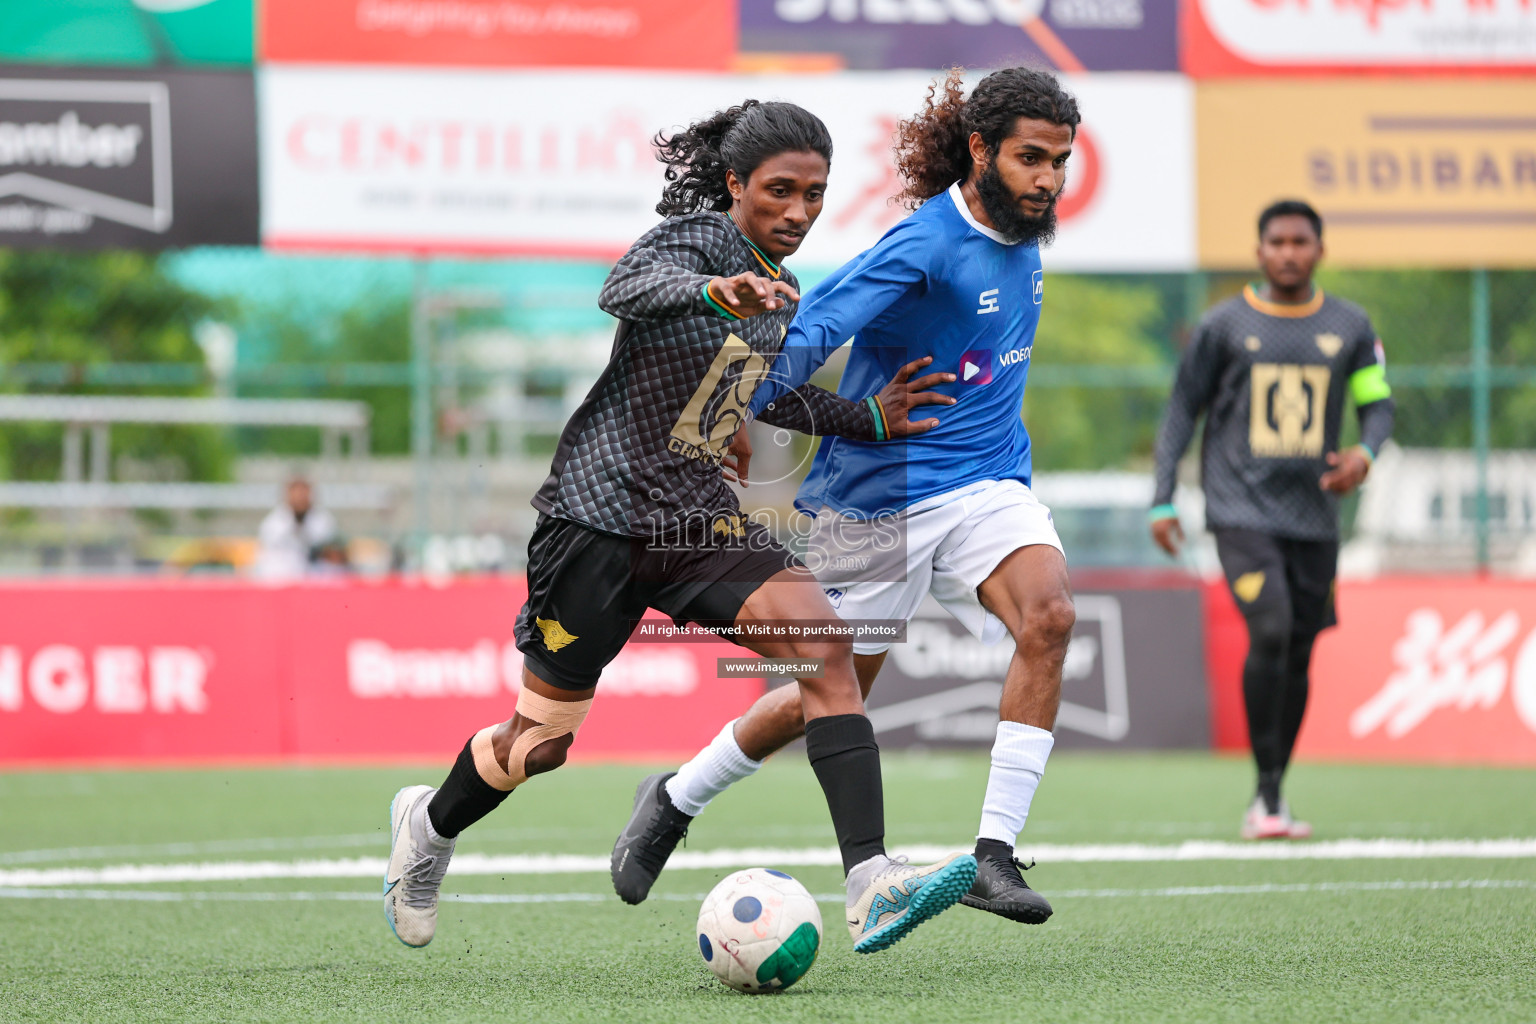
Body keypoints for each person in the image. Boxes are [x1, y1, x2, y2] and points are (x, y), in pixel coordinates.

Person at [384, 99, 976, 956]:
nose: (799, 212)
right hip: (597, 521)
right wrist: (711, 288)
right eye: (781, 190)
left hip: (696, 519)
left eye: (815, 194)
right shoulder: (698, 244)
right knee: (540, 746)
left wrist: (867, 420)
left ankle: (872, 881)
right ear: (736, 184)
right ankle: (427, 831)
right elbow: (620, 287)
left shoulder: (783, 289)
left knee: (827, 646)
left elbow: (756, 397)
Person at [610, 67, 1081, 927]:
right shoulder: (923, 244)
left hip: (986, 484)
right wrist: (731, 407)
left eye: (1059, 161)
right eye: (1030, 159)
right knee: (820, 691)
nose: (1047, 179)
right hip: (879, 499)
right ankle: (676, 797)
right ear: (979, 152)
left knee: (1048, 616)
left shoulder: (1025, 234)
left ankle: (993, 857)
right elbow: (809, 331)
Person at [1148, 199, 1395, 840]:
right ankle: (1263, 793)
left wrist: (1366, 454)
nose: (1288, 252)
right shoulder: (1225, 325)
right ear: (1259, 252)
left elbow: (1378, 406)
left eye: (1300, 242)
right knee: (1274, 627)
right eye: (1277, 242)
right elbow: (1182, 410)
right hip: (1240, 511)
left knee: (1302, 649)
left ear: (1319, 250)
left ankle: (1276, 793)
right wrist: (1164, 495)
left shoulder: (1350, 324)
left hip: (1315, 517)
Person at [253, 476, 336, 581]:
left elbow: (326, 548)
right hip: (280, 579)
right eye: (296, 492)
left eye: (303, 492)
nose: (300, 497)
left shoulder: (323, 520)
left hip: (314, 579)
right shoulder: (273, 523)